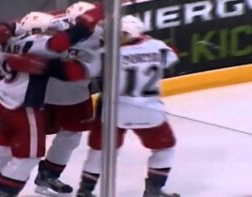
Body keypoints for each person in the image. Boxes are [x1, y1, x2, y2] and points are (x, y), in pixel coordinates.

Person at [0, 6, 104, 197]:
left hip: (2, 101)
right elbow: (59, 46)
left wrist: (2, 34)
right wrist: (83, 27)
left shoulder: (11, 42)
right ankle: (4, 193)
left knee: (4, 147)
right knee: (28, 156)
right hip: (25, 107)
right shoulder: (40, 41)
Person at [76, 15, 180, 197]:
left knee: (99, 150)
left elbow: (83, 71)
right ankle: (154, 191)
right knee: (164, 148)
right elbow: (172, 56)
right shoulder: (158, 46)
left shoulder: (106, 54)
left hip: (114, 112)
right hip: (150, 112)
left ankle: (85, 191)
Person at [33, 2, 104, 196]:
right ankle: (0, 179)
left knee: (71, 138)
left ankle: (48, 174)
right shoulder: (54, 32)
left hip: (77, 97)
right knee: (31, 141)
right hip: (45, 96)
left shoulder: (101, 35)